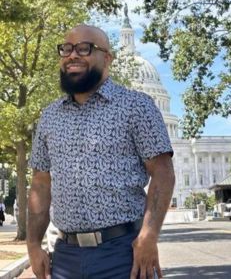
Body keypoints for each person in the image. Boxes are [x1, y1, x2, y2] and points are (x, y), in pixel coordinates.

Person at [27, 24, 175, 279]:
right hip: (65, 257)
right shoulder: (49, 116)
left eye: (85, 49)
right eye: (67, 49)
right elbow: (41, 184)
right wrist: (33, 244)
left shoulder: (136, 106)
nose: (73, 55)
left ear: (107, 58)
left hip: (123, 253)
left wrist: (148, 237)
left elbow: (163, 173)